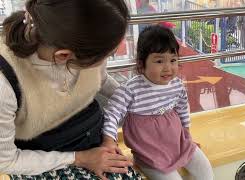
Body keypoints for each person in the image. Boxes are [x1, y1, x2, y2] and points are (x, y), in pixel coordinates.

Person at [0, 0, 142, 179]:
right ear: (64, 56)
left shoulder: (80, 43)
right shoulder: (4, 86)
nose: (109, 56)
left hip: (92, 135)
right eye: (108, 54)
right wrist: (81, 158)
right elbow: (6, 160)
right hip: (39, 158)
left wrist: (136, 103)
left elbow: (101, 79)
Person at [102, 25, 214, 180]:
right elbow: (112, 114)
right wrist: (109, 140)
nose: (168, 68)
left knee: (205, 170)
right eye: (160, 61)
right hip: (149, 152)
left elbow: (182, 108)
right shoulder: (131, 90)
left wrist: (186, 134)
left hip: (178, 143)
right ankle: (142, 161)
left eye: (173, 60)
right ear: (142, 64)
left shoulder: (176, 85)